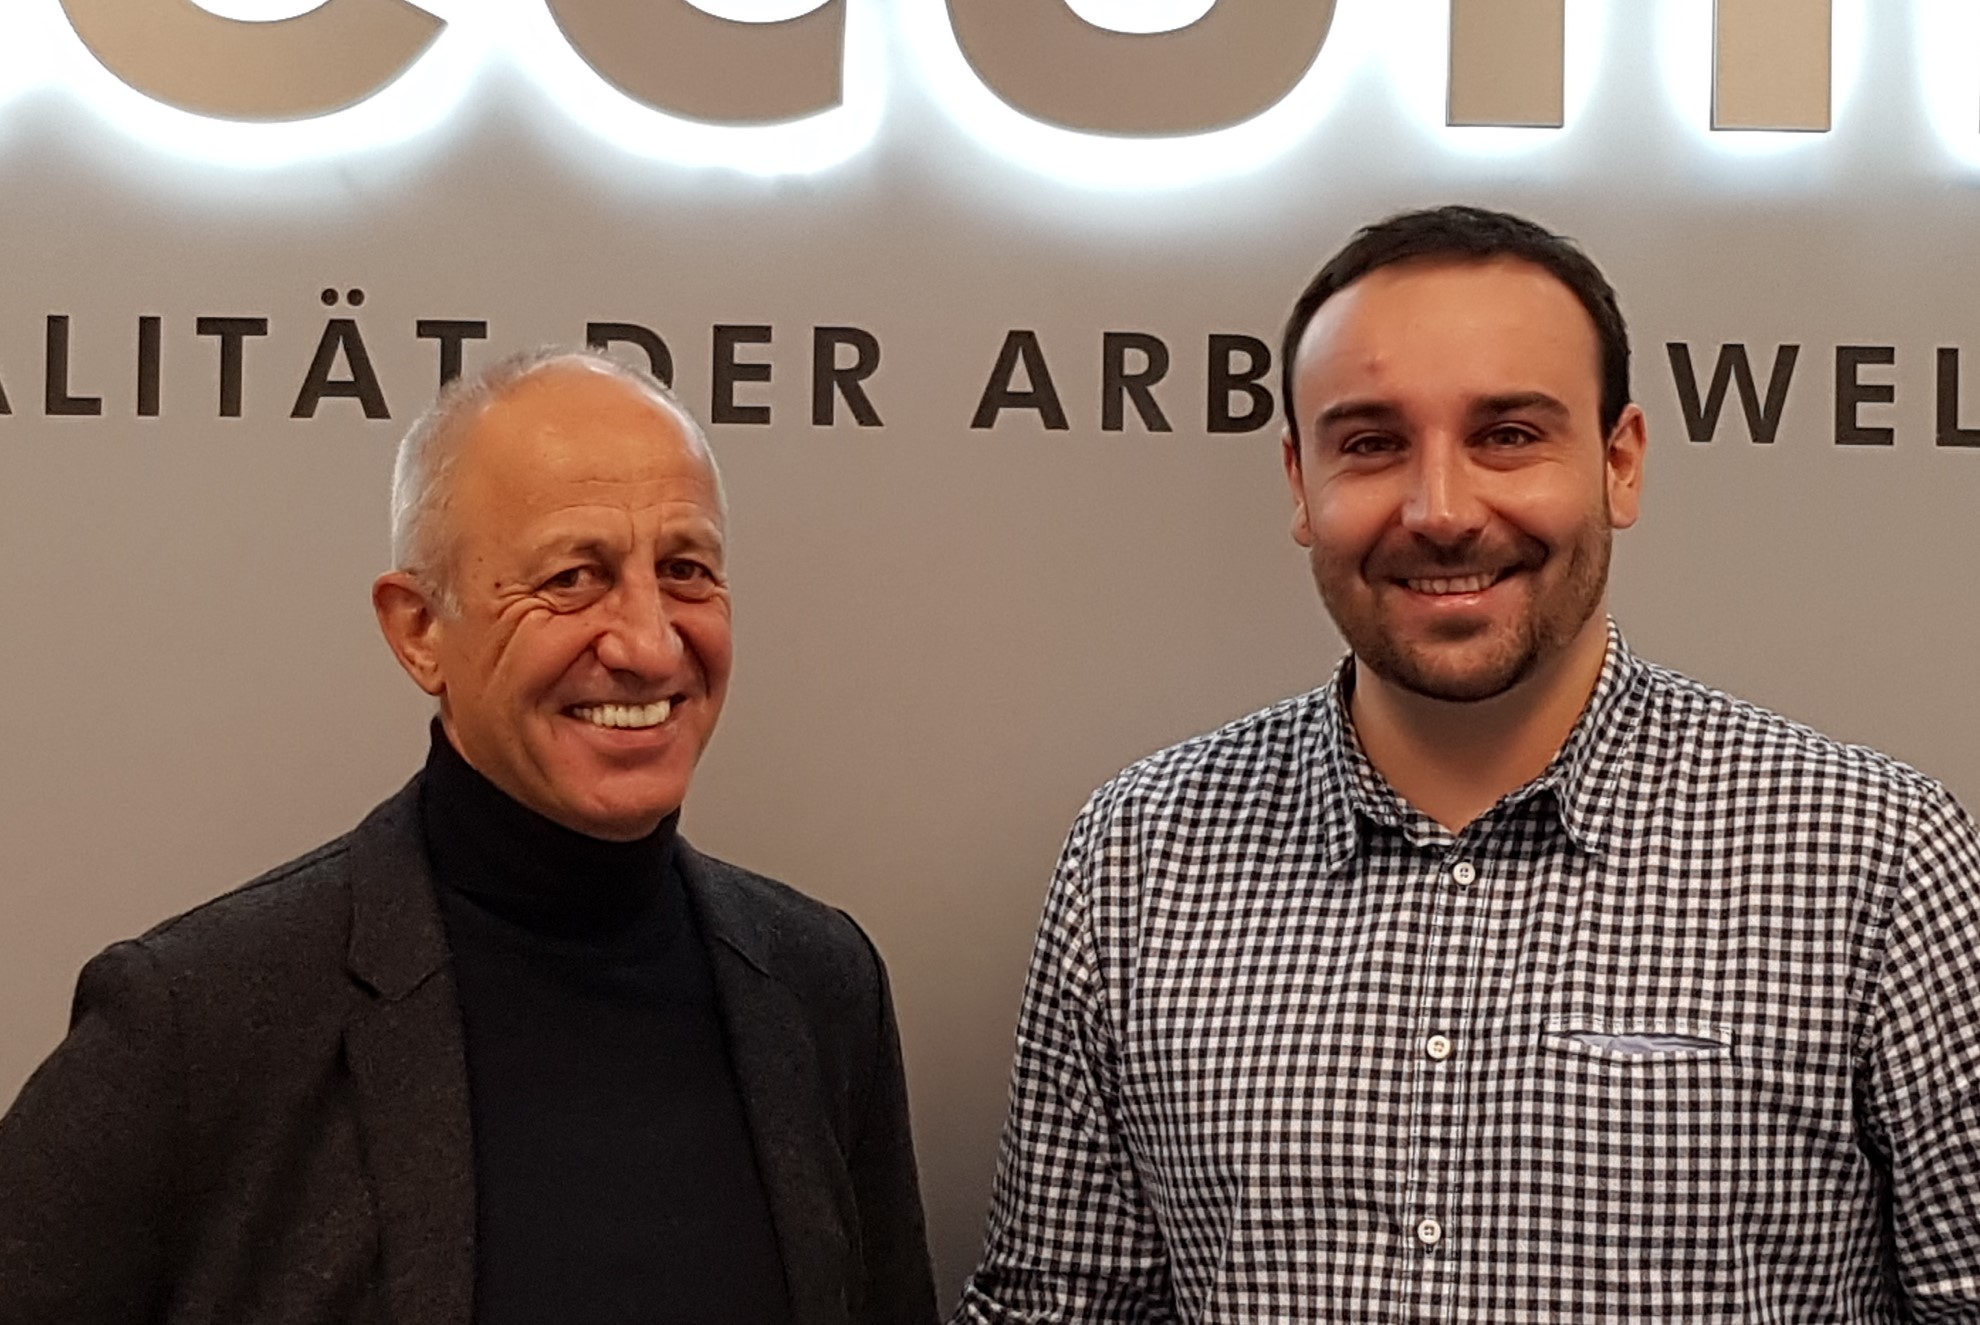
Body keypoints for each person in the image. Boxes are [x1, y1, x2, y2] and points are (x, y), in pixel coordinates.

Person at [955, 205, 1980, 1322]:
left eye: (1508, 435)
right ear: (1301, 482)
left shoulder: (1874, 856)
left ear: (1620, 463)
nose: (1440, 510)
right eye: (1371, 443)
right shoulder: (1141, 853)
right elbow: (1064, 1305)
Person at [0, 348, 938, 1325]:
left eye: (686, 570)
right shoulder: (197, 1023)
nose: (650, 641)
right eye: (573, 578)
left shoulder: (822, 988)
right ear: (418, 630)